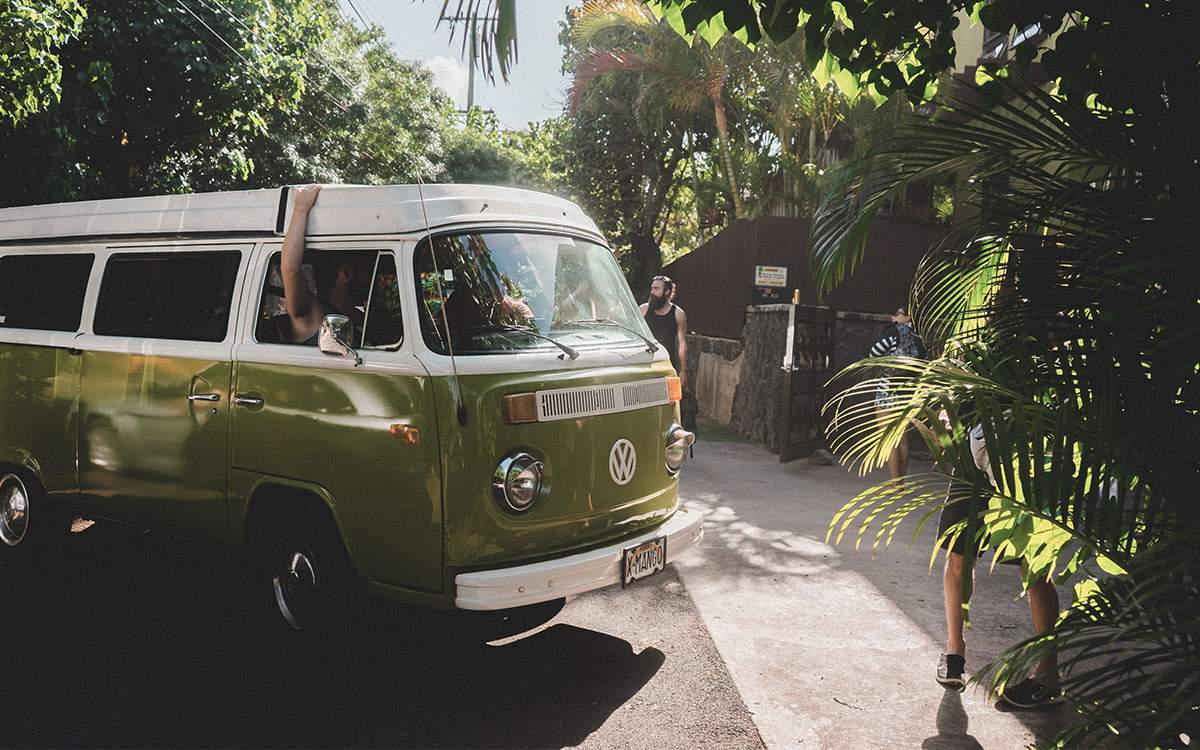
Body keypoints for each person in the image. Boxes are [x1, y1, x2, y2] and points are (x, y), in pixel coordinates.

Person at [935, 420, 1062, 708]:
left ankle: (1048, 674)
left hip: (1026, 451)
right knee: (958, 553)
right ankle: (954, 653)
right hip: (974, 449)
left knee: (1034, 563)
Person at [281, 184, 373, 345]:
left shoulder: (357, 315)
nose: (374, 280)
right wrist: (301, 208)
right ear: (347, 273)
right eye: (368, 273)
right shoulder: (312, 312)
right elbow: (291, 270)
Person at [867, 306, 927, 480]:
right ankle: (900, 482)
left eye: (897, 314)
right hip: (908, 392)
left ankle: (894, 485)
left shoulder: (893, 333)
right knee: (903, 441)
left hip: (888, 390)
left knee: (888, 440)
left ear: (908, 317)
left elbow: (874, 353)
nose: (893, 316)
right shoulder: (919, 339)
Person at [640, 275, 688, 391]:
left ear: (667, 292)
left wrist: (683, 370)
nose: (652, 292)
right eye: (652, 288)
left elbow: (682, 344)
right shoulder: (643, 310)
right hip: (645, 364)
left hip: (666, 365)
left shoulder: (678, 314)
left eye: (656, 289)